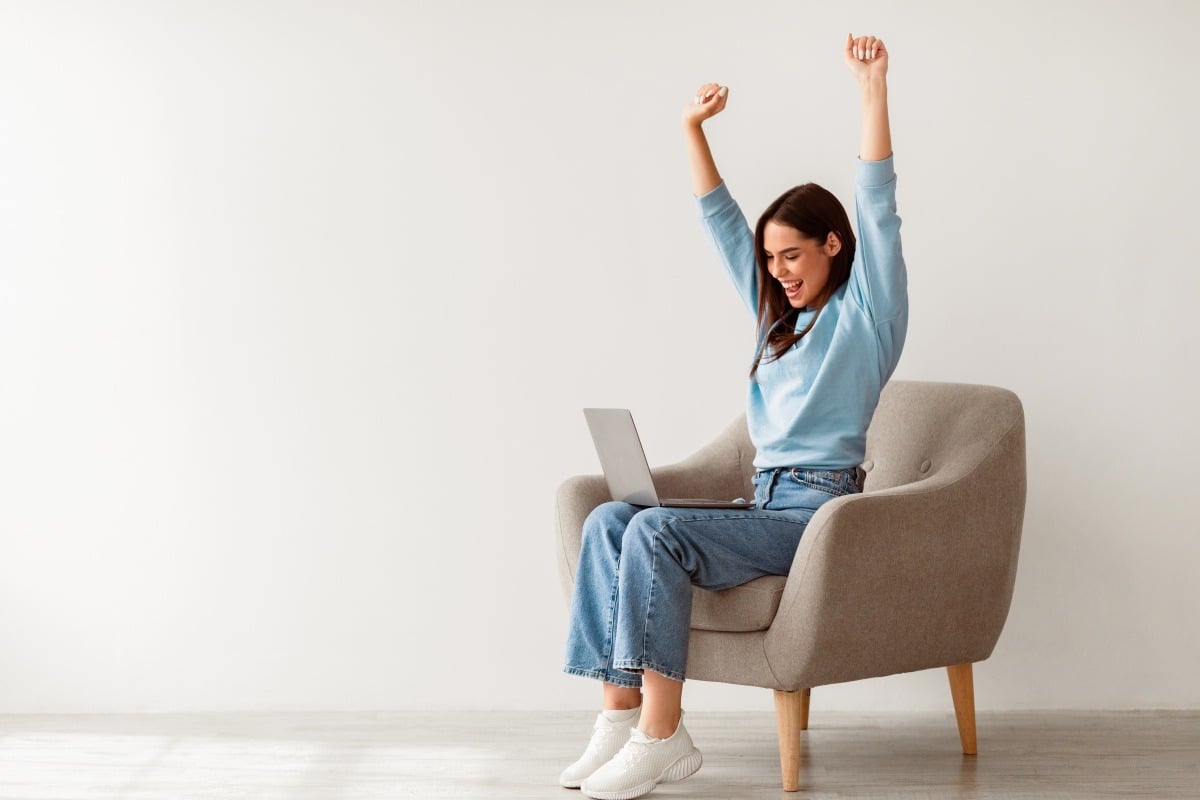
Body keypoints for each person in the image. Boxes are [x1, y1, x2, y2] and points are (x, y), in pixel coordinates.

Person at [560, 33, 907, 800]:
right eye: (771, 258)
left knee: (655, 531)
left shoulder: (867, 315)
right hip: (764, 500)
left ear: (833, 245)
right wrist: (692, 129)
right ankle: (618, 719)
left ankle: (664, 735)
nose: (778, 272)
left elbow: (878, 203)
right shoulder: (774, 323)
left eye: (793, 256)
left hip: (818, 510)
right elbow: (720, 223)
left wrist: (871, 88)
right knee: (609, 521)